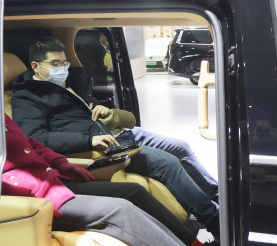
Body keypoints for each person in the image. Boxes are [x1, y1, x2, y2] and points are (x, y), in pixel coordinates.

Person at [11, 38, 221, 235]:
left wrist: (102, 109)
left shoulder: (66, 85)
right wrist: (88, 141)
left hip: (115, 133)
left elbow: (83, 113)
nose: (62, 69)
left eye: (64, 63)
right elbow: (34, 138)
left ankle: (218, 197)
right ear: (35, 66)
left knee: (181, 147)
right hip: (101, 147)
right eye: (55, 64)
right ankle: (215, 220)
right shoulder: (27, 97)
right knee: (167, 163)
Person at [2, 114, 221, 246]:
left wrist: (63, 164)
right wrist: (38, 185)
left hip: (56, 184)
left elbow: (31, 144)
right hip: (36, 201)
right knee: (119, 209)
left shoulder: (0, 116)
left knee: (133, 192)